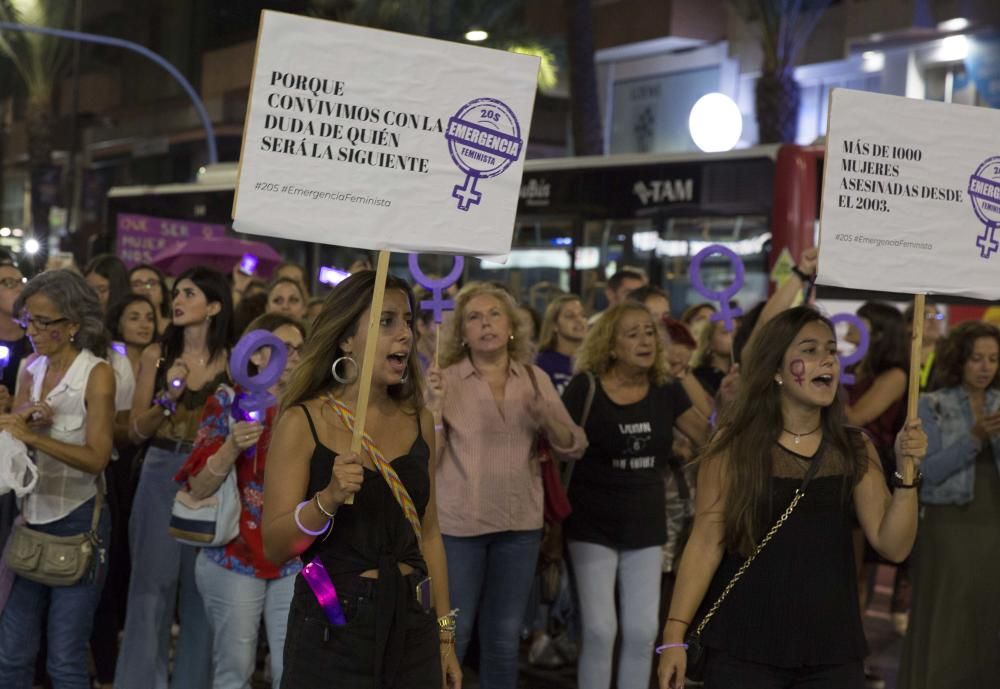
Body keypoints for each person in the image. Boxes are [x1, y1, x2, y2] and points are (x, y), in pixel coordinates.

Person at [657, 306, 927, 689]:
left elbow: (894, 545)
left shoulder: (854, 448)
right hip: (744, 647)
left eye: (831, 350)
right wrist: (673, 635)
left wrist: (906, 476)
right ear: (776, 371)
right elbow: (704, 543)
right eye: (810, 349)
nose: (827, 360)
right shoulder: (733, 447)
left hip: (832, 650)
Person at [262, 271, 461, 689]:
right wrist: (327, 500)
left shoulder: (419, 419)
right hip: (333, 622)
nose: (404, 334)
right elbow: (276, 545)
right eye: (386, 322)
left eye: (407, 320)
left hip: (412, 623)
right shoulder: (303, 420)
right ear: (346, 338)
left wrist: (445, 635)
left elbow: (430, 535)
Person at [426, 281, 587, 689]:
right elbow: (429, 461)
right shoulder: (443, 380)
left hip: (520, 527)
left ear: (512, 326)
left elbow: (575, 447)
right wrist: (435, 412)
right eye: (474, 318)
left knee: (502, 640)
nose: (486, 324)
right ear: (461, 332)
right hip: (459, 528)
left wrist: (546, 418)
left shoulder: (534, 379)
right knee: (452, 635)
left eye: (494, 314)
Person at [561, 302, 708, 689]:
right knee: (599, 630)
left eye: (649, 332)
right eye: (633, 334)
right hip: (591, 523)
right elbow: (556, 445)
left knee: (643, 632)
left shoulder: (666, 388)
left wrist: (692, 378)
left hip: (646, 522)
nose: (645, 340)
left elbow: (709, 437)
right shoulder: (586, 387)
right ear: (611, 345)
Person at [116, 267, 234, 689]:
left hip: (213, 475)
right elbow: (135, 431)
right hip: (162, 467)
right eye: (177, 293)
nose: (177, 300)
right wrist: (171, 395)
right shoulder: (157, 355)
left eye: (189, 293)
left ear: (214, 305)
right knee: (150, 589)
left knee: (203, 591)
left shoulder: (234, 359)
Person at [176, 313, 305, 689]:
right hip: (234, 554)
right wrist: (233, 444)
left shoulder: (312, 404)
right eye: (282, 347)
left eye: (299, 347)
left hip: (294, 556)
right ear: (254, 356)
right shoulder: (228, 401)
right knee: (235, 670)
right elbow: (196, 486)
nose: (293, 356)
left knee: (291, 669)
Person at [0, 270, 116, 688]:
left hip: (77, 521)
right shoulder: (29, 368)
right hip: (29, 519)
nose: (33, 331)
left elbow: (97, 458)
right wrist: (12, 421)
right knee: (11, 654)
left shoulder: (96, 374)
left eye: (44, 322)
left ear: (72, 325)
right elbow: (17, 452)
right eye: (29, 320)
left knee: (65, 659)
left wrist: (32, 435)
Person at [898, 321, 1000, 689]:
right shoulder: (932, 405)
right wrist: (974, 439)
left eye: (993, 359)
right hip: (948, 525)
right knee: (947, 616)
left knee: (988, 615)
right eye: (977, 359)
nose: (986, 367)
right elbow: (928, 474)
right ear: (959, 360)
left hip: (993, 525)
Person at [0, 259, 29, 554]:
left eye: (21, 281)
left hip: (20, 456)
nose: (18, 288)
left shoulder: (36, 345)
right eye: (7, 283)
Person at [535, 294, 587, 395]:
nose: (579, 320)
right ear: (554, 325)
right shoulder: (541, 363)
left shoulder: (594, 362)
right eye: (570, 316)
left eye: (583, 315)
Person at [106, 295, 158, 381]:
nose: (145, 325)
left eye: (150, 319)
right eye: (134, 318)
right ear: (118, 325)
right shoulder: (108, 362)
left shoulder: (159, 363)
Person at [903, 301, 945, 392]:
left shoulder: (949, 357)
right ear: (908, 325)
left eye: (937, 316)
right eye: (926, 316)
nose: (934, 321)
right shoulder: (898, 357)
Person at [691, 319, 734, 398]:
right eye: (725, 332)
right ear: (709, 342)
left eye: (736, 331)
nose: (733, 336)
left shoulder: (744, 371)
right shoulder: (699, 376)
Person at [129, 263, 171, 335]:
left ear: (163, 294)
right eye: (137, 284)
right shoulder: (122, 331)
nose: (144, 288)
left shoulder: (176, 329)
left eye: (151, 283)